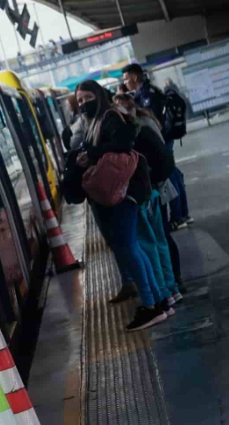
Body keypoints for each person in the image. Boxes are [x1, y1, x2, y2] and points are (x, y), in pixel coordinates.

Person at [63, 80, 169, 331]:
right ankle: (158, 300)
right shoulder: (94, 121)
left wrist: (92, 153)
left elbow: (122, 144)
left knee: (129, 248)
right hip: (117, 191)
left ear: (98, 95)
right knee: (131, 247)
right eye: (79, 101)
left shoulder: (110, 116)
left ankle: (151, 305)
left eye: (88, 97)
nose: (84, 103)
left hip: (123, 192)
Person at [113, 93, 185, 304]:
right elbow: (166, 160)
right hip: (153, 193)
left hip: (141, 198)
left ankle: (163, 293)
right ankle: (172, 288)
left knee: (147, 245)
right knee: (160, 240)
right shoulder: (145, 128)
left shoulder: (129, 138)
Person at [124, 63, 192, 227]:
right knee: (173, 174)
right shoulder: (146, 92)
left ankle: (178, 216)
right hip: (164, 139)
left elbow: (153, 121)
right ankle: (182, 214)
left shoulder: (147, 95)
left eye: (126, 78)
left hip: (162, 139)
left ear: (134, 77)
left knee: (169, 176)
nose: (125, 82)